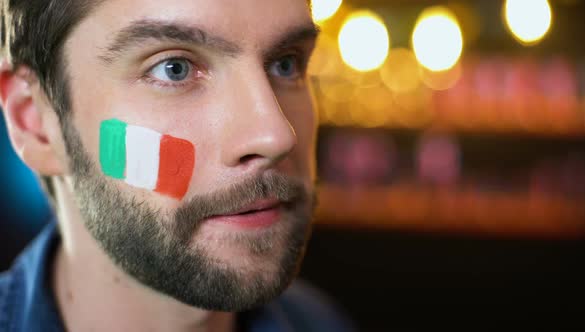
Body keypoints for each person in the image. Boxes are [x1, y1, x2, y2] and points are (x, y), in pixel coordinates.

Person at [0, 0, 354, 331]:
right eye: (175, 69)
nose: (275, 136)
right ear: (34, 122)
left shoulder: (318, 320)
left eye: (286, 63)